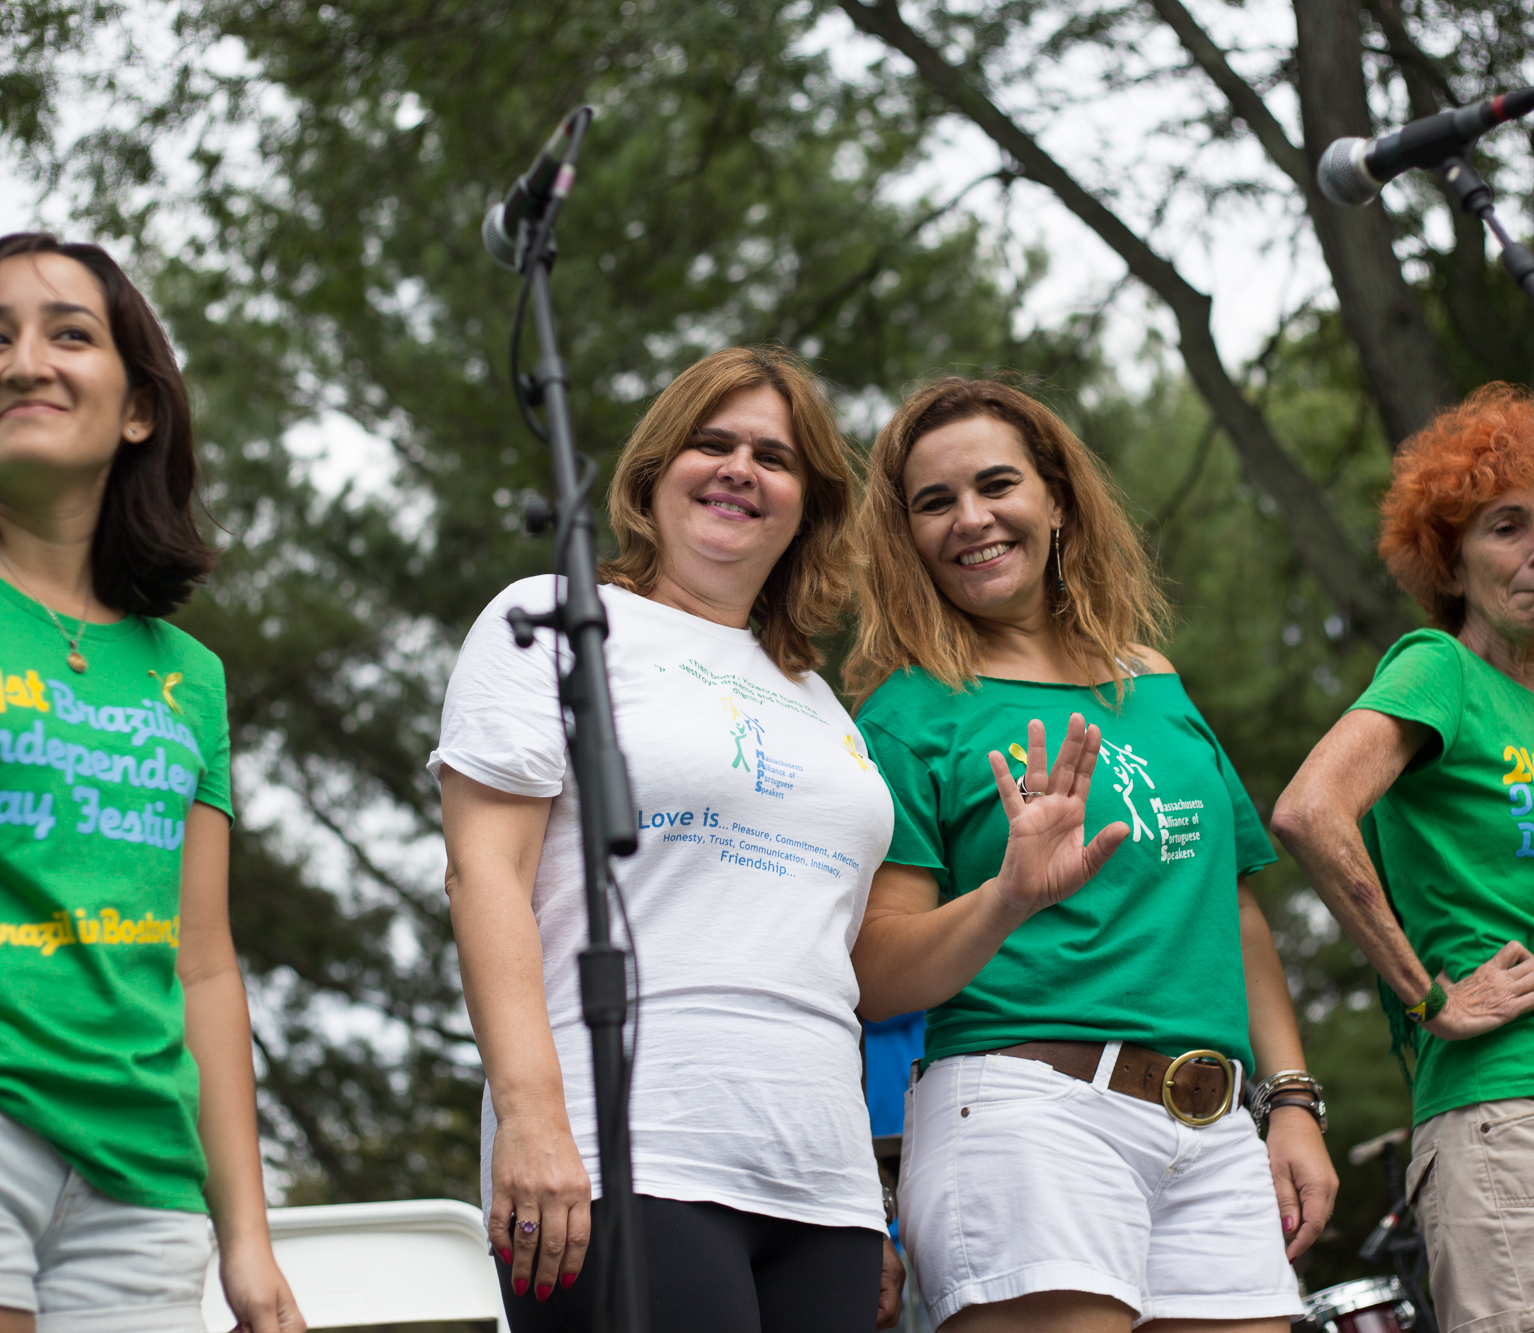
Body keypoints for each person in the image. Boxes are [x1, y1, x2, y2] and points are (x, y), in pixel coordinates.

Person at [0, 233, 300, 1333]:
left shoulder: (188, 675)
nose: (27, 361)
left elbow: (202, 967)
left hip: (145, 1190)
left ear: (138, 408)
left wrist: (249, 1243)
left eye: (69, 334)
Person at [845, 377, 1334, 1332]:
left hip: (1214, 1127)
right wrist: (1007, 897)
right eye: (934, 502)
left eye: (997, 485)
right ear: (906, 536)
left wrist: (1292, 1104)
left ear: (1058, 499)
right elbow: (871, 974)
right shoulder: (904, 714)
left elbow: (1232, 914)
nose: (971, 519)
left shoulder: (1155, 684)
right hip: (1028, 1117)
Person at [433, 346, 903, 1332]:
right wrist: (529, 1116)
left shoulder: (820, 700)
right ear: (652, 473)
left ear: (809, 504)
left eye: (772, 457)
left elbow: (835, 955)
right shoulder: (552, 622)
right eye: (711, 442)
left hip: (823, 1184)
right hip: (624, 1151)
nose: (739, 468)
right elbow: (483, 876)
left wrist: (1011, 894)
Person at [1270, 385, 1534, 1333]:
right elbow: (1311, 811)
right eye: (1505, 526)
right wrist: (1430, 996)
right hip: (1502, 1113)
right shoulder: (1440, 665)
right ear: (1451, 555)